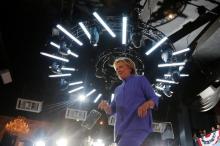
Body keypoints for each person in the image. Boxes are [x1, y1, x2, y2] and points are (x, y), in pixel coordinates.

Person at [98, 57, 159, 146]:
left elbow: (154, 98)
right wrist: (106, 107)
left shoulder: (140, 80)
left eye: (121, 67)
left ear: (130, 68)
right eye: (116, 69)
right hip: (120, 130)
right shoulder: (117, 89)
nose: (118, 70)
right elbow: (111, 110)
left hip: (138, 125)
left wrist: (146, 104)